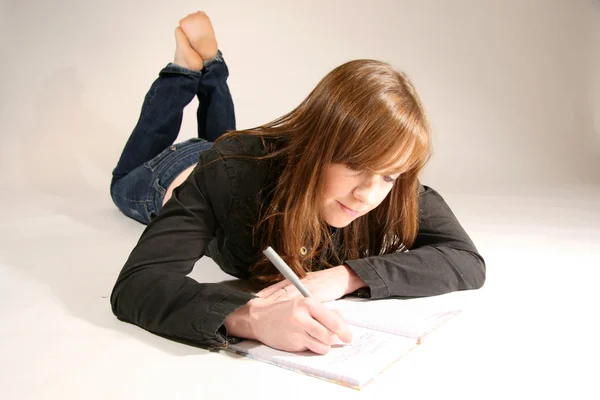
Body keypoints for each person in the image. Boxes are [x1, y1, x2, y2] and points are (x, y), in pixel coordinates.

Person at [110, 11, 486, 355]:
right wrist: (249, 318)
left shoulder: (391, 182)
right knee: (125, 179)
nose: (369, 194)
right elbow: (137, 283)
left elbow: (466, 260)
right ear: (316, 145)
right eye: (355, 165)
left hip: (230, 153)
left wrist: (347, 276)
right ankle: (184, 71)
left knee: (224, 142)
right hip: (169, 175)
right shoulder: (230, 172)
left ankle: (213, 67)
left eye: (388, 175)